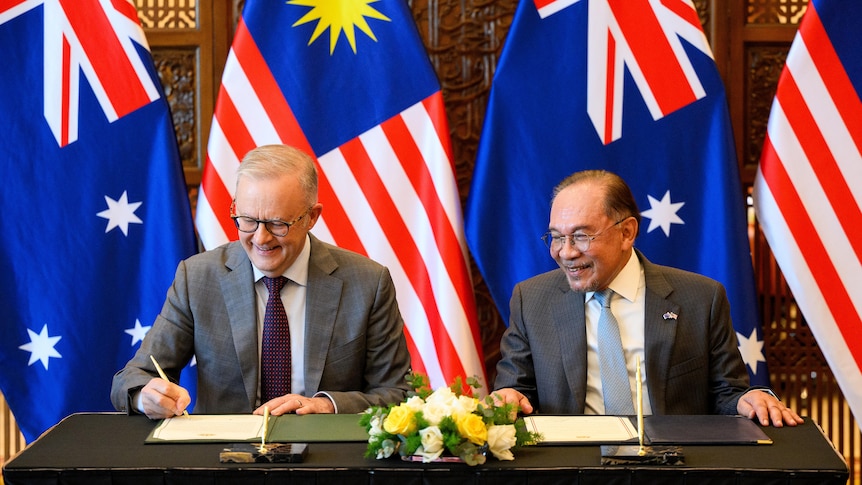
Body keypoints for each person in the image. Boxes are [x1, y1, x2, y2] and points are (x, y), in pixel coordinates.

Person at [111, 144, 412, 419]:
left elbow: (399, 394)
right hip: (222, 456)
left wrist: (328, 406)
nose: (260, 238)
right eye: (248, 220)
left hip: (325, 454)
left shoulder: (368, 283)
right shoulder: (198, 278)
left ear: (312, 217)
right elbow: (132, 378)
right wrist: (145, 397)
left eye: (277, 224)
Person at [493, 170, 803, 427]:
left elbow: (726, 392)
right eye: (557, 237)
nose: (566, 252)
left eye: (582, 236)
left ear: (627, 232)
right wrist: (509, 397)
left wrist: (745, 400)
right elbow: (516, 388)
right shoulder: (531, 300)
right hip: (573, 466)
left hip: (672, 465)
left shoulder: (701, 299)